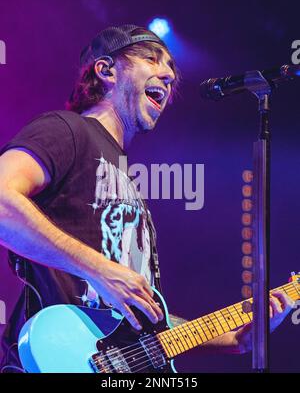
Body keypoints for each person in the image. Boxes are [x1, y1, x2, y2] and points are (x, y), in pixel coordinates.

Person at [0, 24, 294, 373]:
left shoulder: (127, 178)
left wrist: (234, 341)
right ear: (106, 70)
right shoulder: (67, 130)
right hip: (56, 355)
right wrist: (99, 269)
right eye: (153, 59)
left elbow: (143, 322)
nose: (168, 75)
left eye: (171, 68)